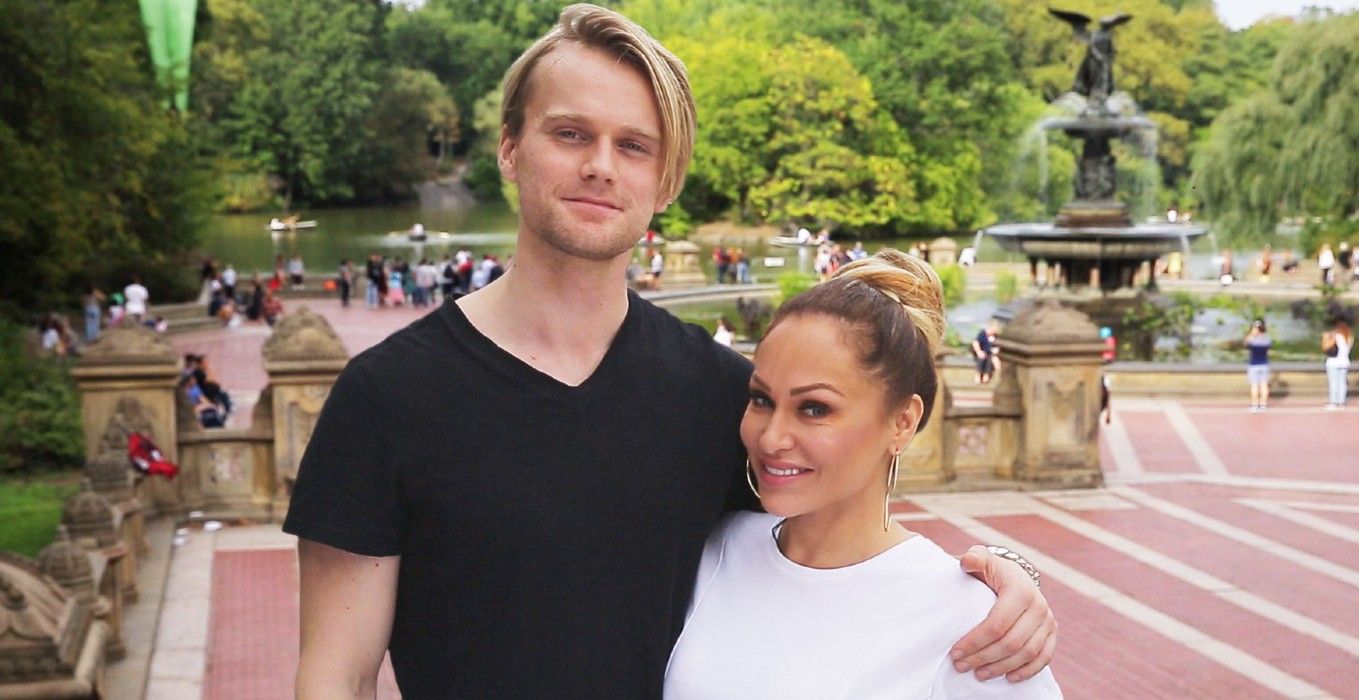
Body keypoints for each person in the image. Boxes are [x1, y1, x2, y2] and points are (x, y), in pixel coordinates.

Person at [284, 6, 1052, 696]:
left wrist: (995, 580)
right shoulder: (387, 398)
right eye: (570, 133)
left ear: (667, 181)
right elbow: (337, 675)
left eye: (635, 146)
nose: (600, 165)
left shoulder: (722, 396)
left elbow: (831, 542)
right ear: (511, 149)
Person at [665, 250, 1061, 698]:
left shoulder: (974, 622)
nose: (772, 438)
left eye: (815, 408)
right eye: (761, 400)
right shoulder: (715, 547)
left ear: (903, 422)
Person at [1322, 317, 1353, 410]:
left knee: (1333, 383)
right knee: (1342, 382)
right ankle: (1341, 402)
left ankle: (1333, 402)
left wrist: (1328, 337)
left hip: (1333, 362)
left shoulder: (1336, 336)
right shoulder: (1349, 337)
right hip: (1344, 361)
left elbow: (1326, 347)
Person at [1245, 319, 1272, 412]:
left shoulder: (1253, 339)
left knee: (1254, 385)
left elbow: (1246, 343)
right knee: (1264, 385)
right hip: (1264, 364)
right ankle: (1263, 405)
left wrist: (1252, 334)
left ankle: (1255, 405)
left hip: (1254, 364)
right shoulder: (1267, 338)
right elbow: (1268, 351)